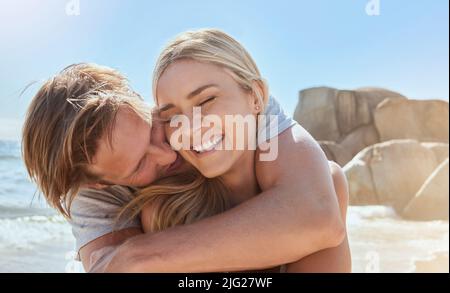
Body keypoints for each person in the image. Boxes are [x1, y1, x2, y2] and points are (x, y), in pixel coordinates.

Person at [22, 30, 350, 273]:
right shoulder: (103, 198)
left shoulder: (235, 106)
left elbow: (319, 216)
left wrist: (137, 256)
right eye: (139, 166)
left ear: (138, 98)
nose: (167, 154)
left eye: (154, 125)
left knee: (332, 178)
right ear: (101, 183)